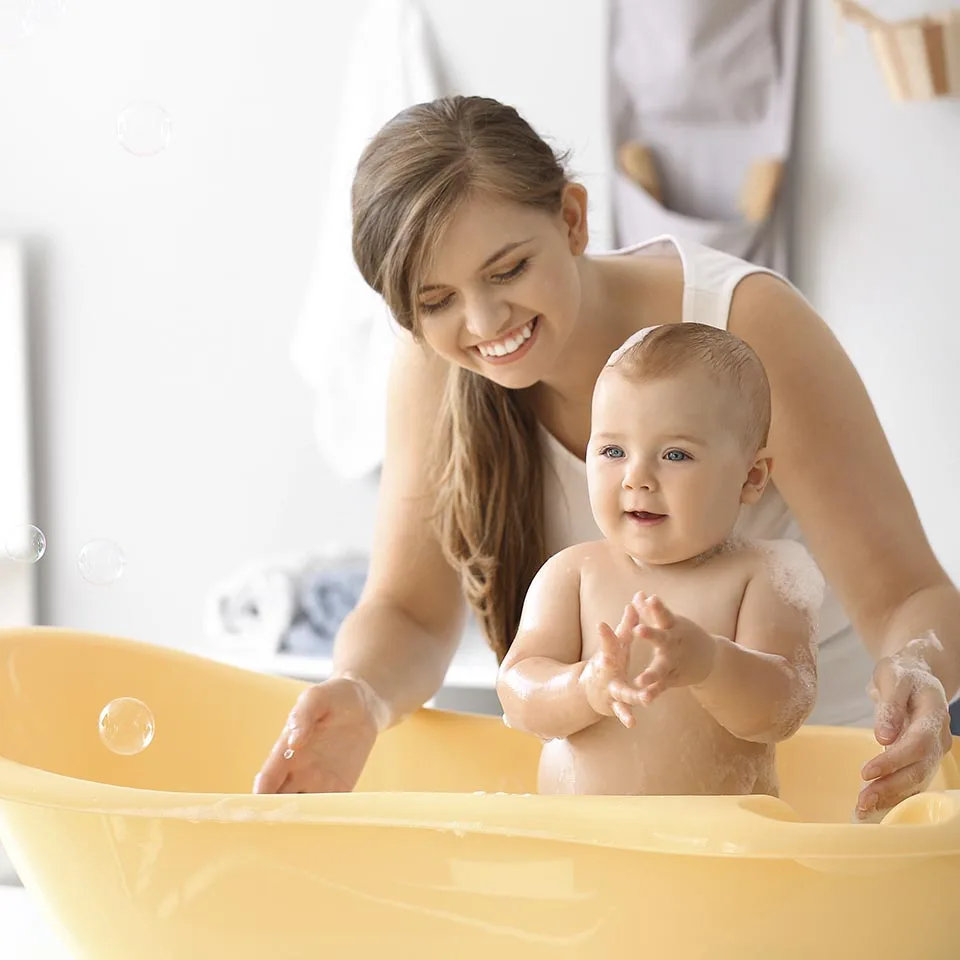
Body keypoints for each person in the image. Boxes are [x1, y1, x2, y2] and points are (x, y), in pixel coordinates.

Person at [253, 95, 958, 820]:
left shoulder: (744, 329)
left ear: (572, 218)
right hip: (623, 827)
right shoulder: (437, 366)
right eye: (436, 301)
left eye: (508, 269)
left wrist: (918, 676)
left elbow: (910, 598)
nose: (485, 322)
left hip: (825, 782)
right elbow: (408, 610)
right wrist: (359, 693)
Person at [496, 322, 822, 798]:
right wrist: (585, 687)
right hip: (579, 842)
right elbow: (518, 694)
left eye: (675, 454)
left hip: (718, 849)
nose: (637, 477)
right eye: (613, 450)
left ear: (750, 478)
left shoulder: (761, 579)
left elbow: (783, 709)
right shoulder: (572, 576)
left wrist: (712, 664)